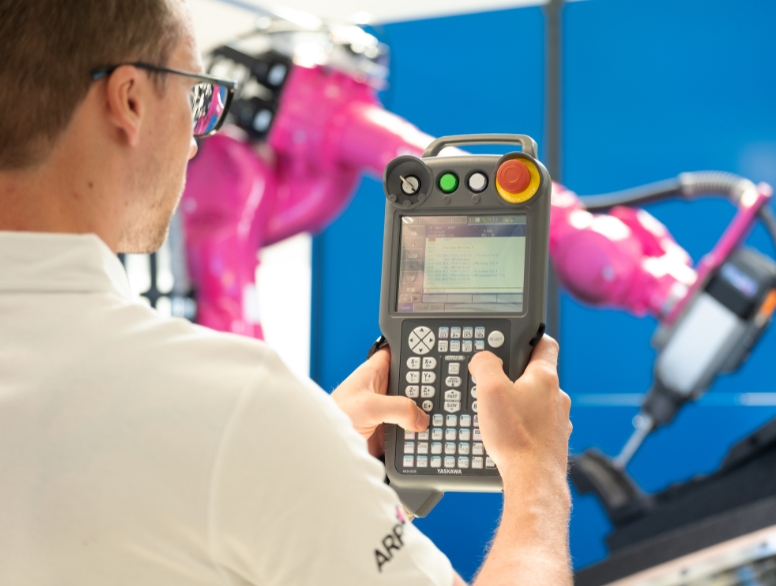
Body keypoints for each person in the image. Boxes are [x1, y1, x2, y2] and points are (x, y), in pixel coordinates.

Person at [0, 1, 574, 585]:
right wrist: (537, 474)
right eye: (198, 98)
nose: (198, 142)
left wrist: (318, 459)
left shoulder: (243, 420)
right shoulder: (239, 406)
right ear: (129, 102)